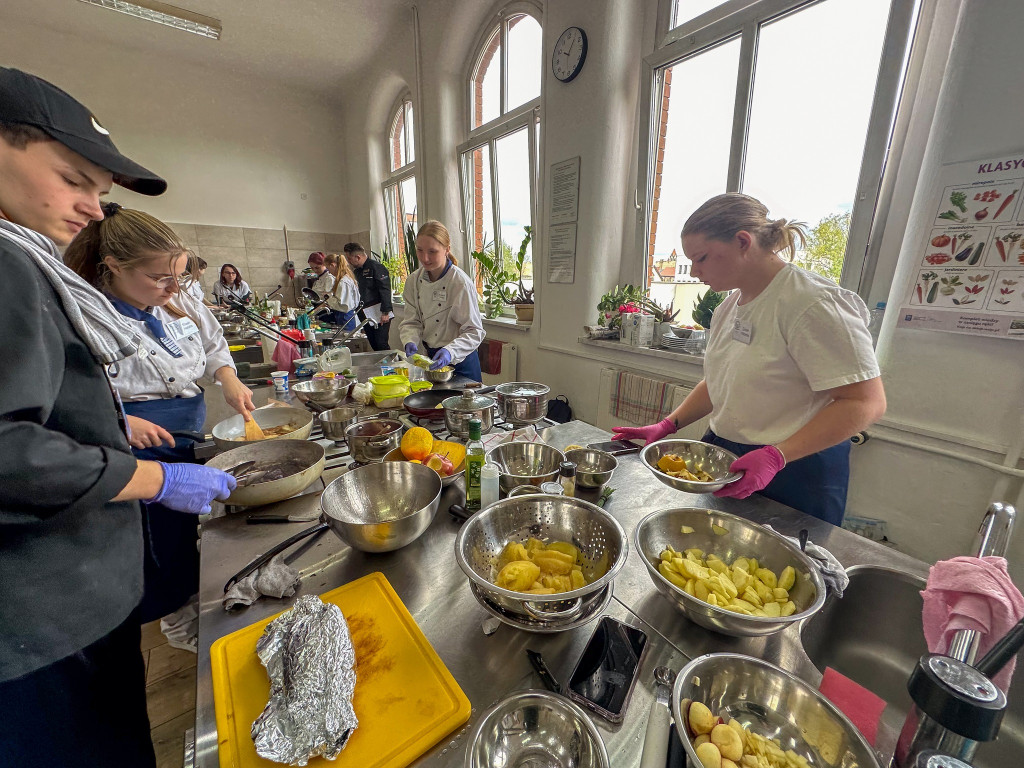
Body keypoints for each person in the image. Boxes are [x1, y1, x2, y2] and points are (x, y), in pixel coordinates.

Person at [0, 67, 234, 767]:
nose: (93, 209)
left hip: (72, 606)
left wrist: (107, 424)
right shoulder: (9, 268)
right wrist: (154, 481)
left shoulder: (29, 259)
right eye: (73, 178)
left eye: (98, 192)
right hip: (39, 623)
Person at [613, 194, 886, 526]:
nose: (695, 270)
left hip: (796, 465)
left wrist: (776, 456)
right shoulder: (730, 307)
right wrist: (668, 425)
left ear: (743, 241)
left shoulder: (812, 303)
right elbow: (722, 380)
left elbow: (865, 402)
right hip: (727, 451)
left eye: (701, 258)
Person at [65, 204, 256, 622]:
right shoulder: (81, 311)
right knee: (149, 546)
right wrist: (119, 420)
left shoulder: (179, 299)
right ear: (113, 265)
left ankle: (186, 606)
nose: (174, 288)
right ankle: (172, 621)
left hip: (182, 439)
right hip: (127, 450)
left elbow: (213, 343)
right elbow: (67, 389)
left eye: (180, 276)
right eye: (160, 278)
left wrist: (228, 378)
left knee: (181, 533)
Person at [399, 220, 485, 381]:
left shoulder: (459, 283)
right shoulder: (413, 281)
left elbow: (475, 331)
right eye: (419, 250)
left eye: (432, 251)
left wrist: (450, 351)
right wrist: (409, 340)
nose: (425, 258)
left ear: (447, 250)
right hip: (430, 360)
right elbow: (411, 321)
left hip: (461, 362)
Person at [344, 241, 393, 350]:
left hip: (379, 313)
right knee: (373, 343)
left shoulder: (376, 267)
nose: (348, 262)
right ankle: (380, 366)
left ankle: (391, 365)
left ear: (357, 257)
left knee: (381, 344)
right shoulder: (357, 271)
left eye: (349, 259)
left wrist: (385, 312)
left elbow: (385, 290)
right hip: (364, 313)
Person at [324, 252, 360, 330]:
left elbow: (343, 305)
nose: (329, 272)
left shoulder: (344, 282)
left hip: (345, 317)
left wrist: (328, 297)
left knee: (346, 340)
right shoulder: (345, 279)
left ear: (332, 265)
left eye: (328, 268)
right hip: (344, 315)